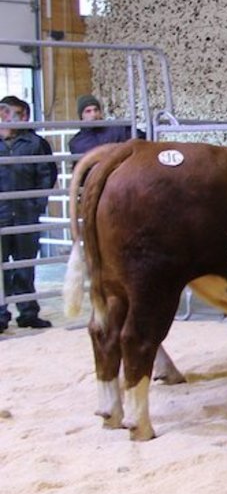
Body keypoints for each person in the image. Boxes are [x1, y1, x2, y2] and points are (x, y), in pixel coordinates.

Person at [0, 96, 58, 331]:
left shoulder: (36, 143)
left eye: (12, 113)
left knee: (25, 266)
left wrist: (37, 204)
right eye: (4, 113)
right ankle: (1, 315)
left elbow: (47, 175)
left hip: (26, 215)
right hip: (1, 215)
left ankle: (28, 313)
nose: (7, 117)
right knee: (0, 268)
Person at [69, 94, 136, 156]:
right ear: (81, 116)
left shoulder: (119, 130)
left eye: (96, 110)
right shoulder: (76, 143)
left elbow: (141, 139)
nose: (93, 115)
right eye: (88, 111)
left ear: (100, 112)